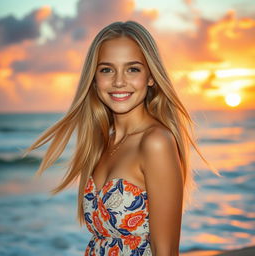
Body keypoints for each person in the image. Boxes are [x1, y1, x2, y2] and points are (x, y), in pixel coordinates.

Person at [22, 21, 221, 255]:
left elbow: (165, 251)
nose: (118, 81)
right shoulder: (102, 143)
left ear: (151, 77)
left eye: (132, 69)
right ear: (94, 79)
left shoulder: (156, 142)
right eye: (106, 69)